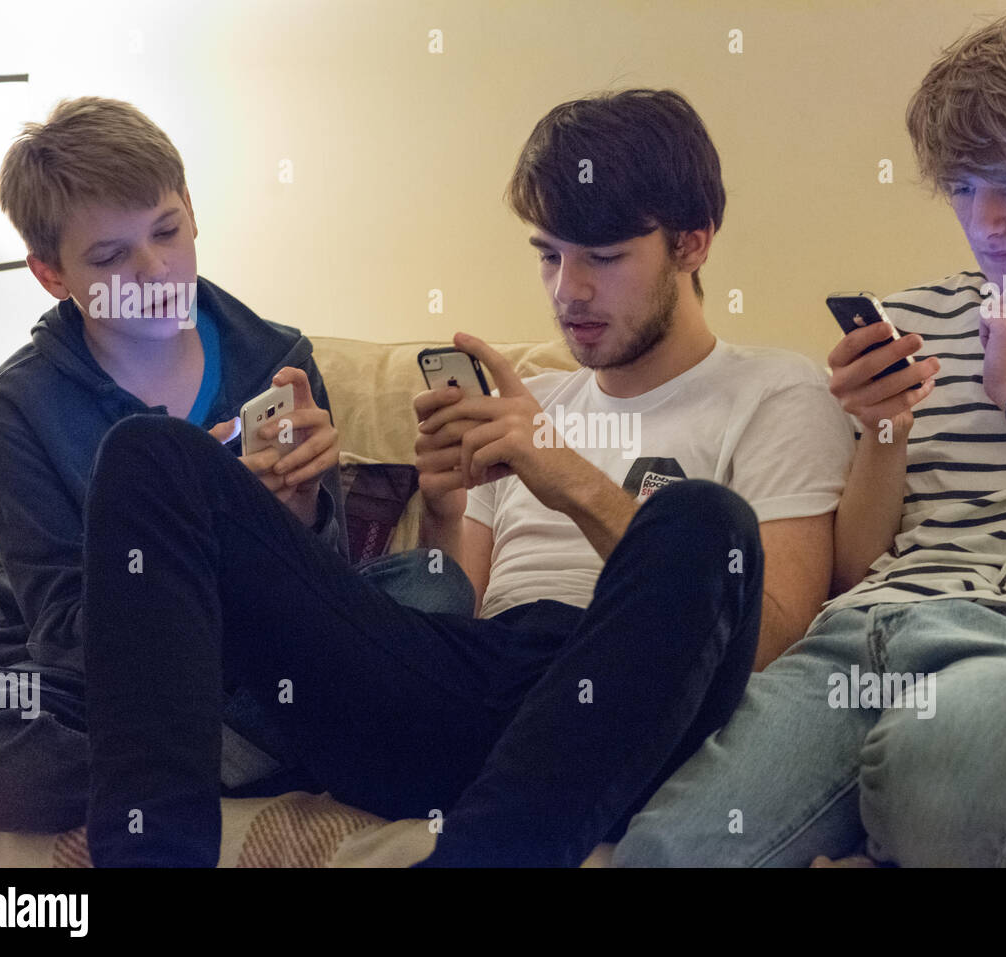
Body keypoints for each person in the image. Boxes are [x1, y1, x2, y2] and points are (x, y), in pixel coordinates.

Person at [79, 88, 856, 866]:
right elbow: (461, 607)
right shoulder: (525, 403)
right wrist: (445, 508)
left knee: (701, 518)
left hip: (630, 702)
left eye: (604, 258)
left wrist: (568, 477)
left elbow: (769, 637)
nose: (567, 290)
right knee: (148, 453)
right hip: (471, 689)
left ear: (692, 243)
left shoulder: (777, 389)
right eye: (550, 254)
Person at [615, 11, 1006, 867]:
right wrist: (882, 429)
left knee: (942, 785)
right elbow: (857, 563)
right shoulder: (916, 316)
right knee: (667, 852)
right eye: (962, 186)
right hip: (858, 630)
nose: (985, 223)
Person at [0, 97, 471, 834]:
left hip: (262, 658)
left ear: (190, 208)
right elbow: (61, 630)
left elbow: (331, 596)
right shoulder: (20, 407)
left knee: (429, 589)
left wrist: (298, 515)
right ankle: (272, 750)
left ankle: (190, 761)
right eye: (110, 256)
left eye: (166, 231)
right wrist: (201, 548)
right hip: (101, 681)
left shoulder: (274, 359)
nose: (154, 269)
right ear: (50, 274)